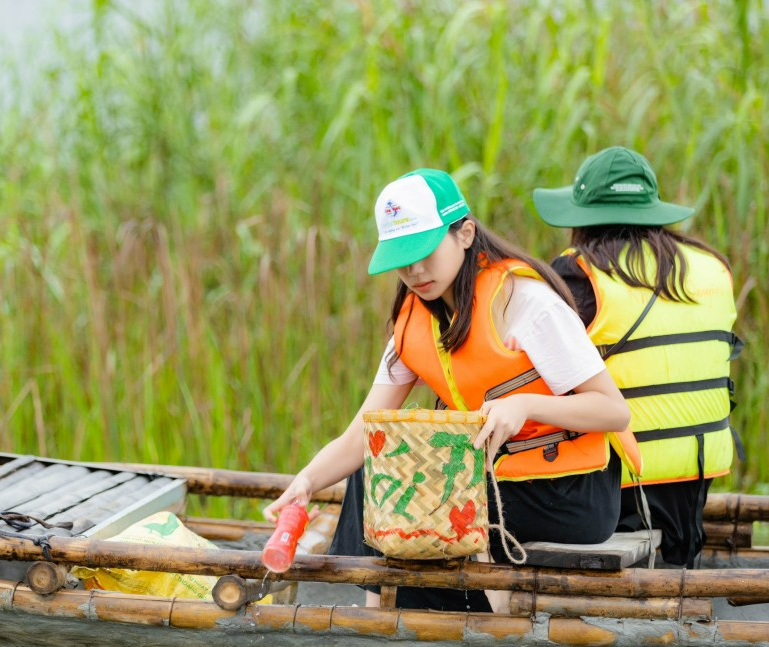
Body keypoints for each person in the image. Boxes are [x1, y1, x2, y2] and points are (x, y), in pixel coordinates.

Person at [263, 168, 637, 612]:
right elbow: (360, 436)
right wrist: (305, 483)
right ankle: (376, 612)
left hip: (569, 489)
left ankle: (456, 631)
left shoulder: (525, 303)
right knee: (375, 467)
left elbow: (614, 412)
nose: (415, 271)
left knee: (422, 512)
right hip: (493, 480)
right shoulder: (412, 321)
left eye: (424, 252)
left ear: (464, 233)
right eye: (402, 259)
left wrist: (524, 404)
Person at [533, 146, 740, 568]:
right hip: (694, 476)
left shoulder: (580, 272)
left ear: (582, 217)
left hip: (615, 482)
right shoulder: (711, 267)